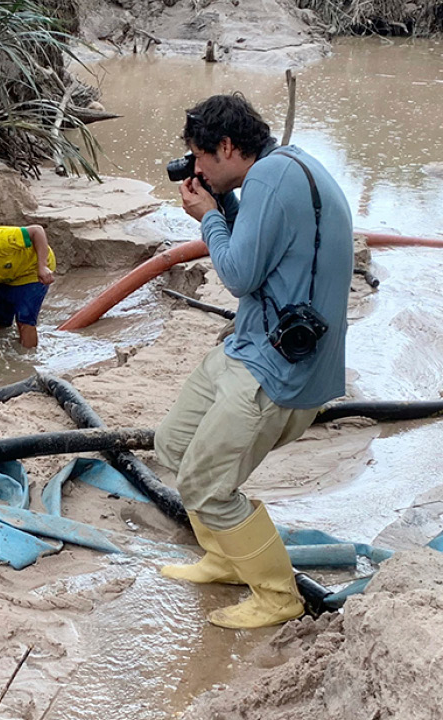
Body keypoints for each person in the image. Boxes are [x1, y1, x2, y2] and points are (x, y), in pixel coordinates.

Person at [154, 93, 353, 629]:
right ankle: (224, 558)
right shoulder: (285, 167)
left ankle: (276, 596)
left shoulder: (269, 178)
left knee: (205, 485)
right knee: (172, 445)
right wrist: (225, 208)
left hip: (277, 370)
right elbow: (267, 255)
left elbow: (240, 274)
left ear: (226, 146)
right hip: (248, 347)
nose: (194, 169)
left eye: (200, 158)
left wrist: (209, 218)